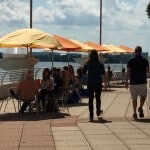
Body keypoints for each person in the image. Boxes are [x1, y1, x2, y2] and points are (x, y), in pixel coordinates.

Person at [125, 46, 149, 119]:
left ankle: (135, 113)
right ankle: (140, 107)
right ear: (141, 52)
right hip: (142, 82)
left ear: (135, 52)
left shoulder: (130, 61)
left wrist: (126, 82)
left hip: (133, 82)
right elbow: (148, 71)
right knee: (143, 96)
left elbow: (128, 72)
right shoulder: (145, 60)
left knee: (134, 98)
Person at [83, 50, 106, 122]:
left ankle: (91, 115)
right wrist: (104, 84)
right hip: (98, 83)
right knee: (98, 98)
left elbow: (83, 72)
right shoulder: (100, 64)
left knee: (90, 99)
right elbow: (103, 73)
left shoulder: (87, 63)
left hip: (90, 83)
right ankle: (98, 111)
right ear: (97, 55)